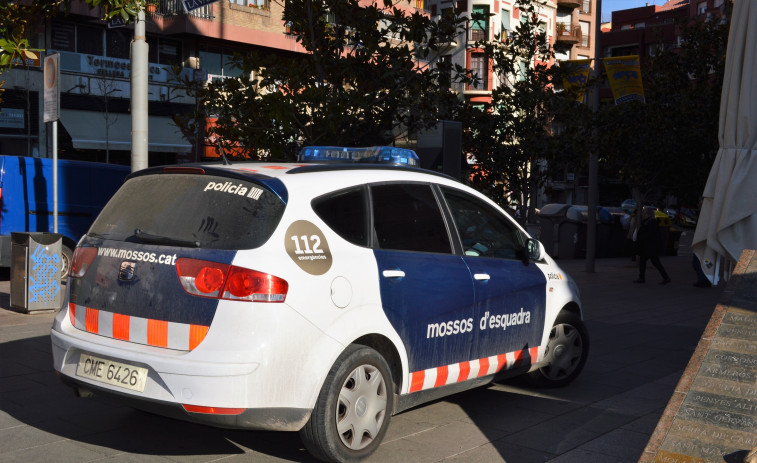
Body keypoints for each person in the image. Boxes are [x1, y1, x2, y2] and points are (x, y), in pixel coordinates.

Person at [633, 208, 671, 284]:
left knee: (654, 262)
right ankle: (642, 277)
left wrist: (641, 238)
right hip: (648, 247)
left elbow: (650, 234)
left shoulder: (652, 222)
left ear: (648, 214)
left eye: (644, 213)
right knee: (649, 262)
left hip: (650, 247)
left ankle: (665, 277)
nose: (643, 215)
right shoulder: (648, 222)